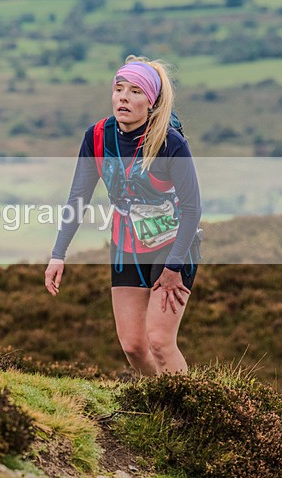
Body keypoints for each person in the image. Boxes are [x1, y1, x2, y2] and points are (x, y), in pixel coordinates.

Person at [44, 56, 202, 375]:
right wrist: (57, 254)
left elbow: (192, 208)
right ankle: (159, 405)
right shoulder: (98, 137)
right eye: (119, 89)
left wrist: (174, 266)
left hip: (173, 247)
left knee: (159, 340)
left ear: (151, 101)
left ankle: (187, 415)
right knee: (133, 346)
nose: (124, 98)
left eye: (135, 91)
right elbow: (78, 197)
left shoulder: (170, 143)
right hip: (127, 247)